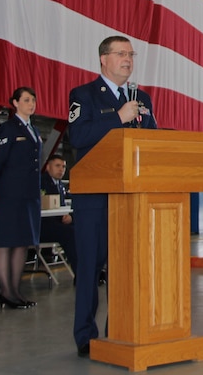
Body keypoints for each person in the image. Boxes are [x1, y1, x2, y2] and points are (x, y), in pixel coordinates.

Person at [68, 36, 157, 357]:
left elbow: (152, 141)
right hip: (94, 197)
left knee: (124, 269)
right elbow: (78, 136)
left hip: (131, 197)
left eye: (131, 54)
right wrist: (117, 117)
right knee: (90, 266)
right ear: (103, 59)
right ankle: (85, 335)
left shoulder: (142, 97)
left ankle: (117, 330)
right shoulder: (84, 95)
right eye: (121, 54)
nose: (128, 59)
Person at [0, 87, 43, 310]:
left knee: (21, 242)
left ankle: (16, 291)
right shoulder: (8, 128)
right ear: (15, 103)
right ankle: (6, 292)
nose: (31, 104)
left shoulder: (34, 130)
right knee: (5, 242)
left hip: (29, 195)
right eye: (27, 100)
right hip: (10, 194)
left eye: (33, 100)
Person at [39, 154, 78, 274]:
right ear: (48, 167)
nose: (61, 169)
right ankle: (80, 272)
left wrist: (70, 217)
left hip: (58, 222)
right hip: (43, 225)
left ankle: (90, 270)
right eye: (57, 166)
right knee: (70, 233)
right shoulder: (41, 182)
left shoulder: (60, 185)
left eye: (63, 166)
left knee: (82, 229)